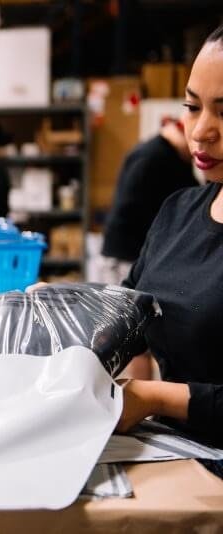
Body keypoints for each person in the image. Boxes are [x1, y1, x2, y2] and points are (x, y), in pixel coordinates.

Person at [106, 26, 223, 462]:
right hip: (169, 452)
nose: (201, 132)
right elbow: (129, 314)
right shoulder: (180, 212)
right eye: (193, 107)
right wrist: (61, 311)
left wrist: (156, 397)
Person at [100, 118, 197, 284]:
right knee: (126, 306)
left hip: (119, 250)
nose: (194, 154)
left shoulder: (149, 149)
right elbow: (191, 199)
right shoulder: (164, 159)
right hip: (128, 254)